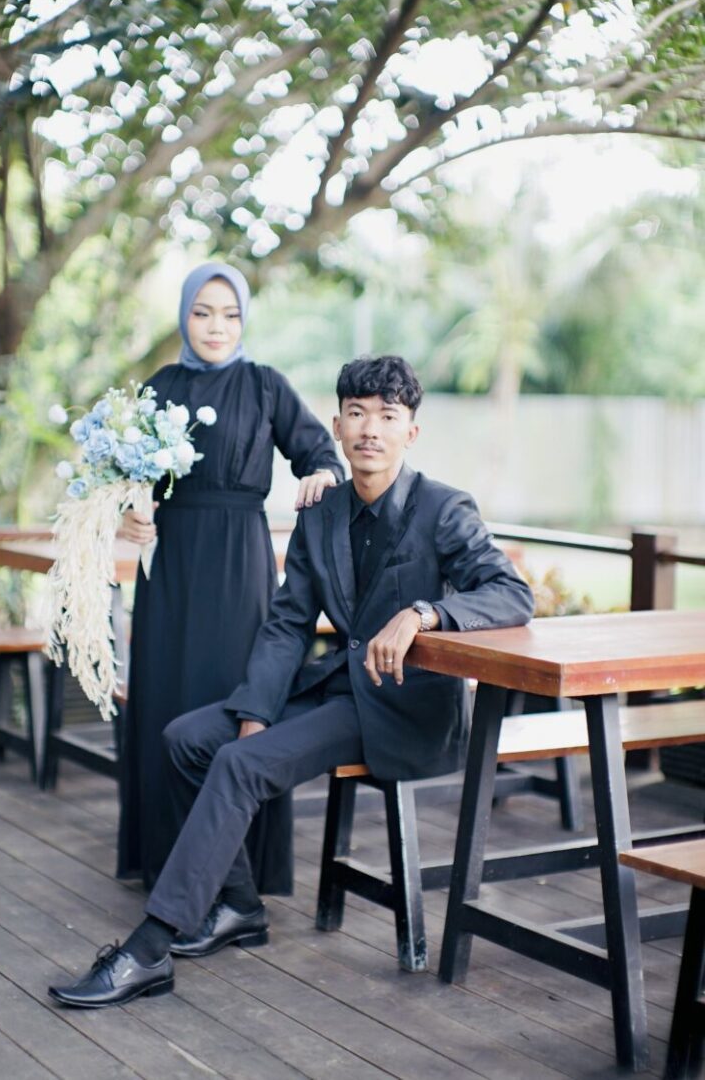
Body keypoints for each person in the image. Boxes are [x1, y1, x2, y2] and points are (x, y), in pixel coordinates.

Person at [49, 355, 534, 1008]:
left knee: (239, 765)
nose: (371, 429)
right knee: (187, 739)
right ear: (337, 425)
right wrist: (256, 708)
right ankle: (240, 905)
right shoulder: (322, 513)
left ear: (411, 432)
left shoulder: (444, 508)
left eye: (387, 417)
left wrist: (424, 614)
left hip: (403, 704)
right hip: (337, 685)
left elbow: (512, 593)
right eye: (357, 413)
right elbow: (286, 623)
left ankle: (149, 948)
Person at [117, 261, 343, 894]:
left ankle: (239, 871)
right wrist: (129, 513)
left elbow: (319, 452)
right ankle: (165, 863)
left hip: (240, 562)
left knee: (236, 695)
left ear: (244, 320)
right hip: (169, 567)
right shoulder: (159, 386)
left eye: (230, 314)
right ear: (184, 316)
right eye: (202, 313)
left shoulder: (265, 385)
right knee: (164, 695)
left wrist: (321, 474)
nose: (216, 326)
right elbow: (125, 479)